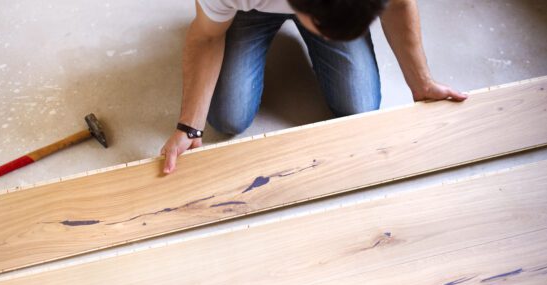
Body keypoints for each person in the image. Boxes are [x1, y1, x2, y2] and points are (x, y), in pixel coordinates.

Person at [161, 0, 467, 174]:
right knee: (229, 116)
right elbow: (206, 37)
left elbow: (399, 5)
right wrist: (190, 127)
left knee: (359, 109)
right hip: (250, 9)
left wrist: (421, 83)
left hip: (330, 8)